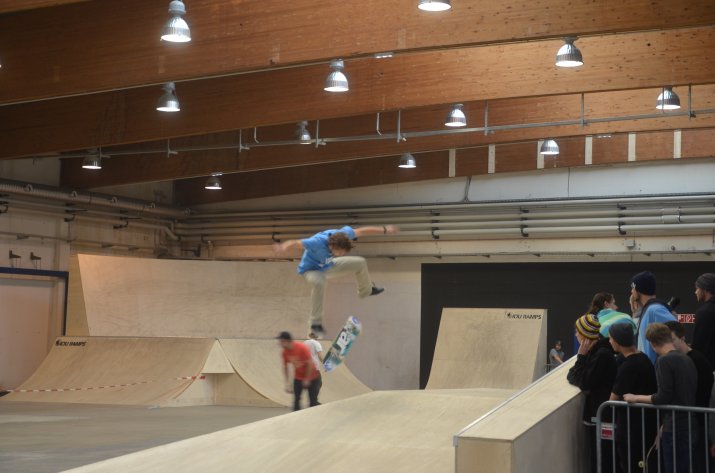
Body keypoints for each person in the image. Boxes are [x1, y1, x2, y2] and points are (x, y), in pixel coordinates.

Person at [273, 225, 399, 337]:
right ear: (332, 246)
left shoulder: (343, 235)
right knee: (319, 282)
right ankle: (315, 324)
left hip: (328, 266)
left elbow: (362, 231)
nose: (341, 255)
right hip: (310, 270)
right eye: (339, 252)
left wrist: (384, 229)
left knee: (360, 262)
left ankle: (366, 290)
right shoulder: (316, 242)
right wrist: (283, 247)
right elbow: (296, 243)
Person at [624, 323, 697, 473]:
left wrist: (636, 397)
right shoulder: (686, 358)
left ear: (652, 343)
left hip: (676, 428)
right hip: (689, 424)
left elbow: (662, 397)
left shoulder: (664, 361)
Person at [567, 313, 618, 473]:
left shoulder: (601, 354)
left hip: (602, 416)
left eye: (577, 331)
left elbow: (581, 381)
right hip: (599, 415)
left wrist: (581, 357)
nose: (575, 334)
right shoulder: (599, 351)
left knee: (602, 459)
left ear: (584, 335)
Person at [608, 323, 658, 473]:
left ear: (617, 341)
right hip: (647, 425)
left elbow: (612, 399)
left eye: (611, 338)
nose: (609, 341)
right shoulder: (644, 359)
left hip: (631, 429)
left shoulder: (628, 367)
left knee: (630, 464)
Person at [665, 320, 714, 472]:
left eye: (672, 339)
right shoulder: (678, 360)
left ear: (682, 338)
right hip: (690, 421)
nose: (670, 345)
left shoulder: (696, 360)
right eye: (666, 341)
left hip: (698, 422)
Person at [629, 271, 676, 364]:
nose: (631, 291)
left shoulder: (655, 309)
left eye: (633, 288)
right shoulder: (649, 309)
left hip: (656, 370)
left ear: (638, 290)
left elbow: (675, 336)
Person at [277, 331, 320, 411]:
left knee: (312, 402)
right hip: (298, 377)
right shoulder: (284, 352)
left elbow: (310, 364)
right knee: (296, 402)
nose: (280, 343)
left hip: (312, 377)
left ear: (286, 341)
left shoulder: (301, 348)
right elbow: (285, 368)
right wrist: (287, 383)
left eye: (281, 341)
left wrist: (307, 379)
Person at [692, 273, 715, 367]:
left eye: (697, 288)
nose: (695, 292)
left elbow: (699, 346)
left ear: (705, 289)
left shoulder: (705, 312)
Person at [304, 331, 324, 402]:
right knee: (318, 383)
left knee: (312, 384)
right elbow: (320, 355)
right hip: (314, 368)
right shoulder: (316, 343)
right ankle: (313, 401)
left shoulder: (305, 342)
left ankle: (312, 400)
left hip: (306, 367)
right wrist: (325, 363)